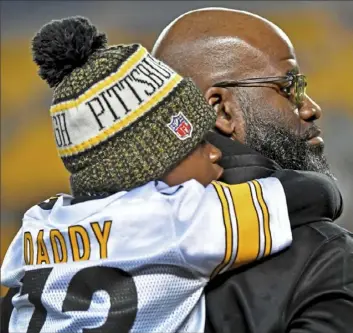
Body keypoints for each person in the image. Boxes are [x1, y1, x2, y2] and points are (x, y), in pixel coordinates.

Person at [0, 16, 344, 333]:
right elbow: (303, 196)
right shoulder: (177, 218)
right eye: (195, 142)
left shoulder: (38, 225)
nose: (213, 151)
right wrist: (328, 190)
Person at [152, 7, 353, 333]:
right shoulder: (326, 256)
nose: (310, 108)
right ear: (222, 111)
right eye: (289, 88)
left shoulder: (98, 251)